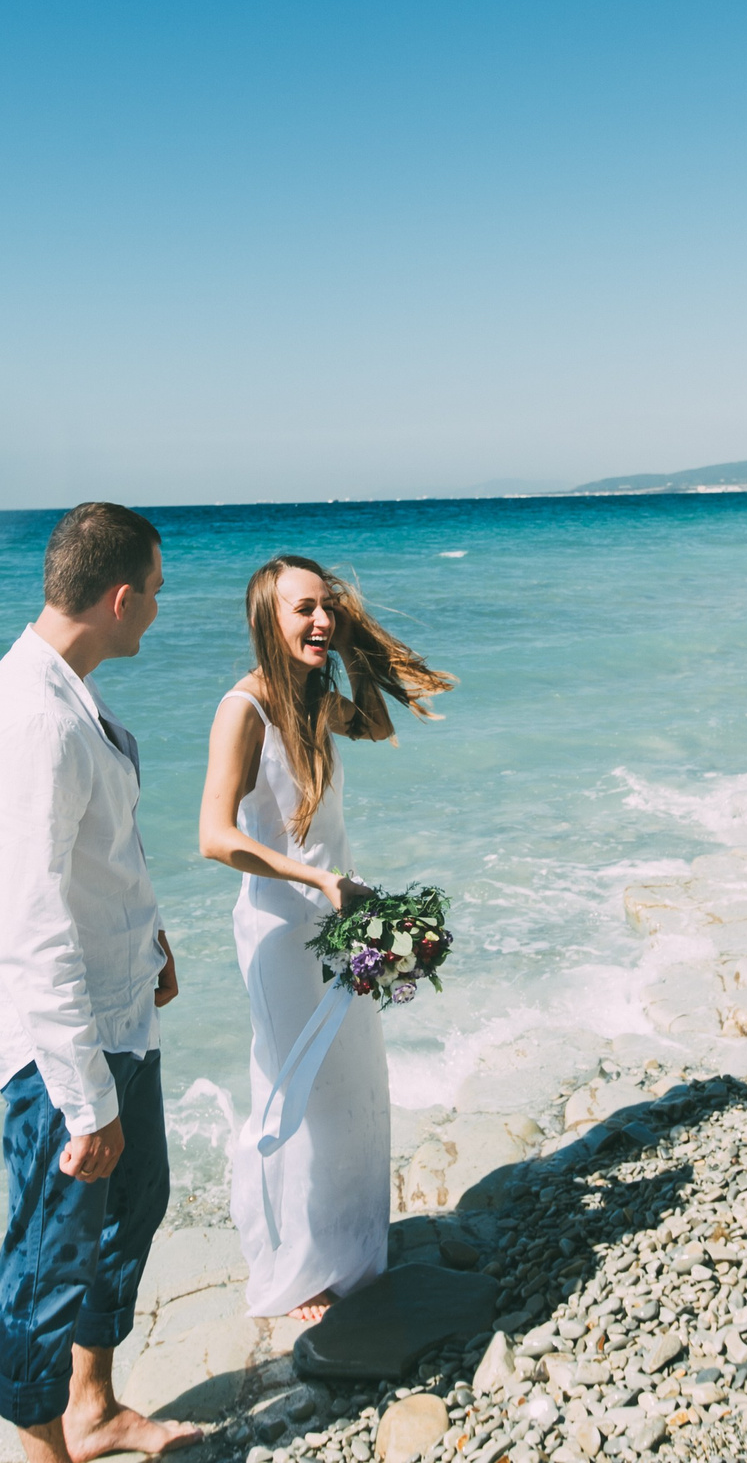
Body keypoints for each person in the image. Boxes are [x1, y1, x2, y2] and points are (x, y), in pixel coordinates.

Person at [0, 502, 200, 1463]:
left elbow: (87, 860)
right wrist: (85, 1098)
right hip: (64, 1045)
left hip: (117, 1008)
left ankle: (94, 1406)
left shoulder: (67, 694)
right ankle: (41, 1449)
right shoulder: (31, 719)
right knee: (47, 1257)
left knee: (132, 1208)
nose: (157, 613)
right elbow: (27, 924)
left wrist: (153, 940)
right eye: (156, 595)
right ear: (119, 595)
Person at [198, 556, 455, 1321]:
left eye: (327, 609)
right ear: (265, 621)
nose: (318, 620)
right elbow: (213, 836)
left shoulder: (313, 699)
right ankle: (294, 1268)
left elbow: (375, 724)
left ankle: (349, 1245)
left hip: (341, 921)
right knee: (294, 1097)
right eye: (301, 610)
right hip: (283, 930)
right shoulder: (242, 710)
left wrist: (349, 652)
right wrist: (315, 883)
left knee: (352, 1089)